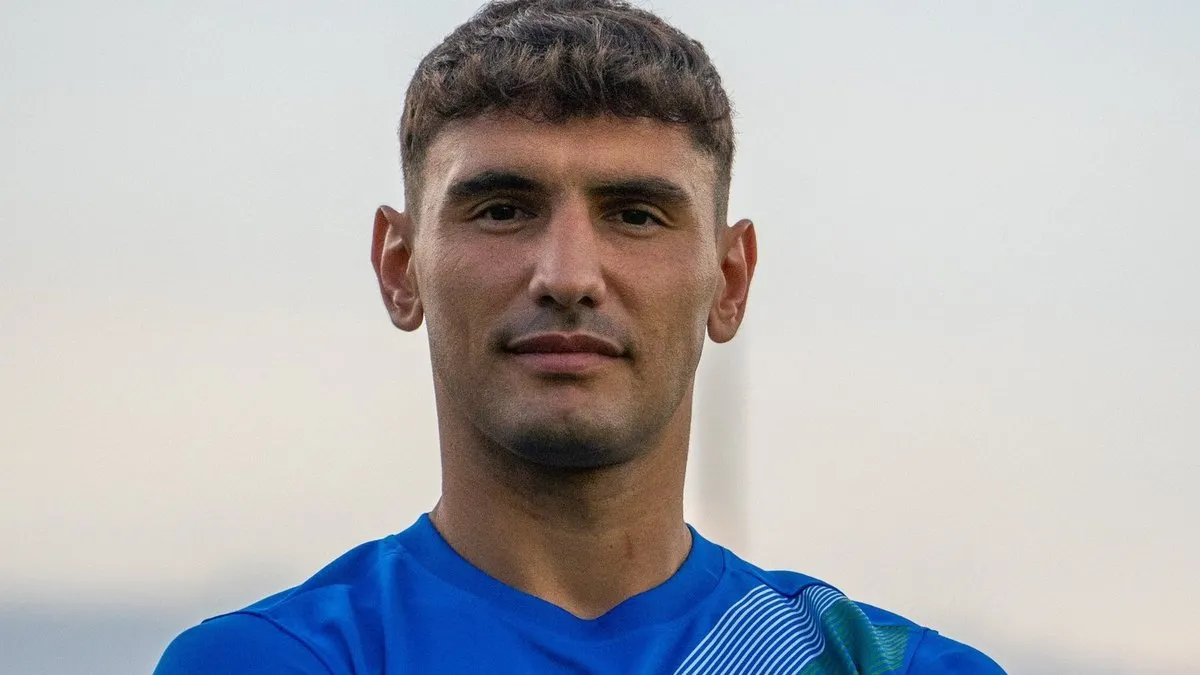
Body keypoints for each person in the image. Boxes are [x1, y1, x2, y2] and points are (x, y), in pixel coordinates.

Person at [155, 1, 1005, 672]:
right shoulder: (272, 661)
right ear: (401, 267)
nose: (567, 274)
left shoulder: (890, 668)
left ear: (729, 280)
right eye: (503, 209)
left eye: (636, 215)